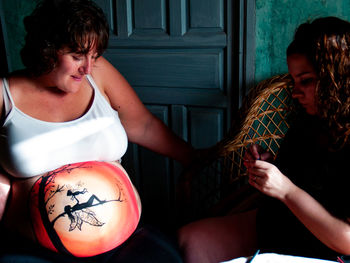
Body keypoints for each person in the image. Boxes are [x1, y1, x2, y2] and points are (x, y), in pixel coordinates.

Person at [0, 0, 194, 262]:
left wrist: (194, 158)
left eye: (94, 56)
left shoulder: (98, 74)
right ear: (46, 50)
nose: (88, 68)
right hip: (36, 250)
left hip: (124, 240)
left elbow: (144, 125)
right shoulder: (5, 95)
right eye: (77, 56)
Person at [177, 16, 350, 262]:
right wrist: (269, 165)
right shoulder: (311, 117)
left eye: (306, 80)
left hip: (325, 246)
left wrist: (285, 190)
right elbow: (303, 175)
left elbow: (347, 240)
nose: (295, 91)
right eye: (293, 80)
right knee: (187, 240)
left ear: (337, 79)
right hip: (282, 220)